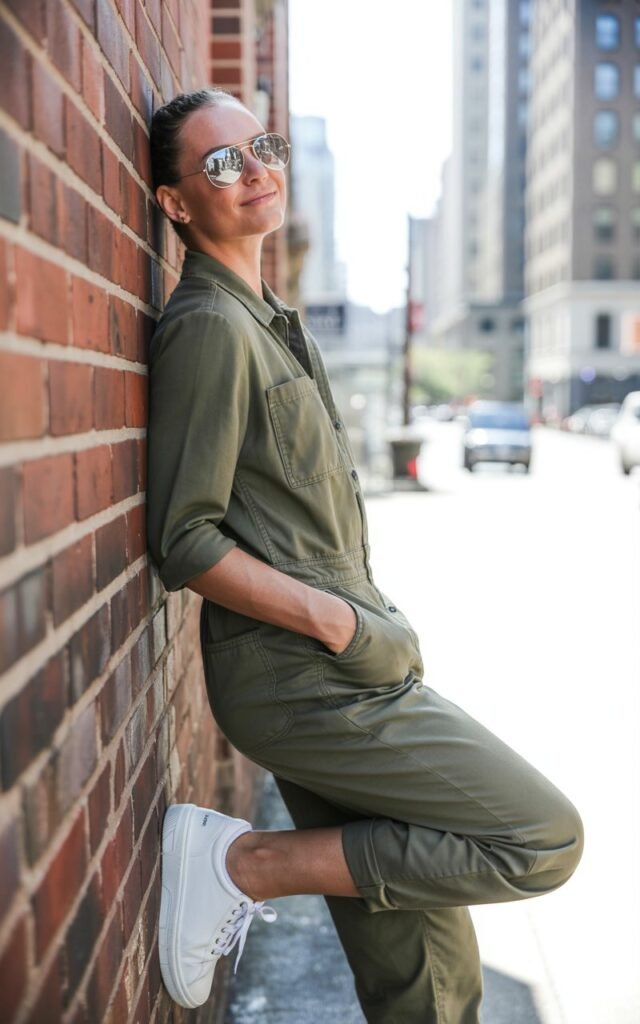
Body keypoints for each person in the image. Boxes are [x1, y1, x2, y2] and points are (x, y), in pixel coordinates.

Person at [147, 87, 583, 1022]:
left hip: (346, 659)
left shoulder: (270, 321)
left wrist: (361, 626)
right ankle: (243, 864)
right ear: (176, 203)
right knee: (538, 838)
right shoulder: (211, 328)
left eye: (260, 145)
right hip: (307, 676)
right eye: (222, 161)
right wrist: (338, 623)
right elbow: (183, 538)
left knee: (424, 967)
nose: (256, 168)